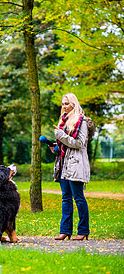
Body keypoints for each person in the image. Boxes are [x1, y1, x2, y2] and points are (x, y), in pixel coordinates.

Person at [52, 93, 90, 241]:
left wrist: (61, 136)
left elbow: (79, 143)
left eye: (66, 103)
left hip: (75, 165)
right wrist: (55, 147)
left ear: (74, 104)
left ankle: (83, 230)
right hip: (63, 164)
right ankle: (65, 231)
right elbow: (65, 144)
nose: (64, 106)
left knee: (78, 198)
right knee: (65, 198)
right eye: (63, 104)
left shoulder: (82, 121)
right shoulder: (64, 120)